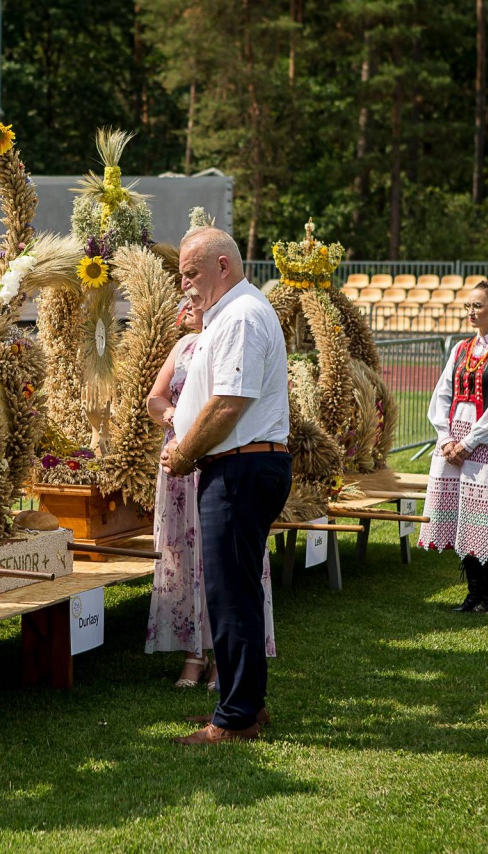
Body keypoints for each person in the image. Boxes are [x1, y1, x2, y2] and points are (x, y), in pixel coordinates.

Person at [162, 227, 292, 745]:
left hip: (240, 468)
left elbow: (228, 403)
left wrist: (185, 451)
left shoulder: (239, 315)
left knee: (230, 593)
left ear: (223, 265)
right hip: (241, 465)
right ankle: (245, 705)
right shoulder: (235, 312)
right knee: (234, 590)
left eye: (191, 274)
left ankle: (235, 717)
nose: (186, 286)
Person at [145, 298, 277, 688]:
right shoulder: (183, 347)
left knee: (222, 557)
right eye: (182, 301)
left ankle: (225, 655)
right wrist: (170, 413)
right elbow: (154, 398)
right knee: (183, 554)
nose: (186, 305)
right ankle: (192, 652)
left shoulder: (229, 335)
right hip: (177, 463)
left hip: (219, 455)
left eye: (192, 299)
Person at [418, 281, 488, 612]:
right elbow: (442, 394)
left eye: (478, 305)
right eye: (468, 306)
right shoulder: (460, 348)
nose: (471, 312)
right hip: (454, 441)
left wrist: (470, 442)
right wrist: (444, 437)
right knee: (462, 515)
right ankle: (472, 593)